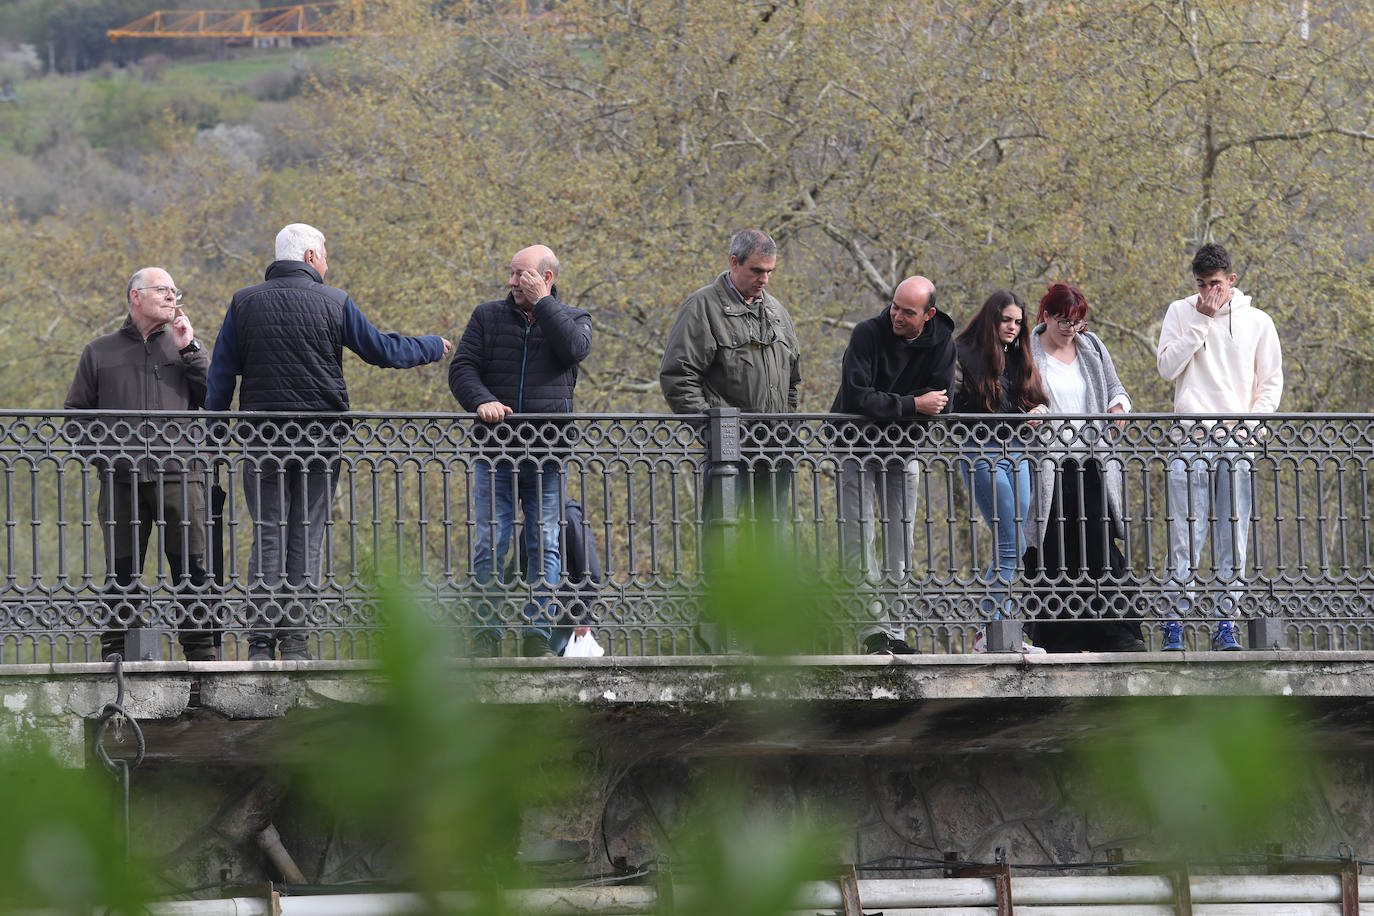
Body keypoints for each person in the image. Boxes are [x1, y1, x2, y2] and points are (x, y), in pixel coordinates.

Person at [206, 224, 451, 661]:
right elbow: (382, 350)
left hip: (263, 439)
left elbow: (222, 374)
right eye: (325, 255)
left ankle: (261, 642)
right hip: (320, 439)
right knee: (307, 534)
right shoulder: (333, 301)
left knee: (267, 534)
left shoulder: (244, 302)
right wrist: (432, 345)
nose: (328, 263)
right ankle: (297, 641)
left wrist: (215, 435)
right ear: (310, 257)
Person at [65, 267, 219, 662]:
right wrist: (106, 460)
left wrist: (191, 351)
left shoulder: (184, 347)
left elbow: (215, 399)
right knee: (122, 572)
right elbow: (74, 417)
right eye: (163, 290)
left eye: (174, 291)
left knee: (191, 570)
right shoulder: (100, 350)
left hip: (181, 476)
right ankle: (117, 655)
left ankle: (202, 658)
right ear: (136, 297)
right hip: (121, 482)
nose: (172, 297)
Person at [449, 245, 592, 658]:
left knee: (545, 542)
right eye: (511, 274)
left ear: (546, 278)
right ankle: (485, 636)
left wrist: (544, 304)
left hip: (548, 453)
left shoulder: (574, 318)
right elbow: (462, 369)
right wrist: (481, 401)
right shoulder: (486, 316)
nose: (512, 282)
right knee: (490, 543)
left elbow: (574, 350)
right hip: (494, 450)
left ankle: (537, 634)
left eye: (521, 275)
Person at [1156, 242, 1283, 651]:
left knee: (1234, 536)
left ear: (1231, 280)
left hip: (1236, 442)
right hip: (1189, 438)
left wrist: (1248, 430)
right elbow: (1166, 368)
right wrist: (1200, 321)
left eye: (1214, 283)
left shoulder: (1258, 321)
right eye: (1200, 284)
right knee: (1183, 534)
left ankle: (1225, 622)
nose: (1206, 292)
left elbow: (1270, 384)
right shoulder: (1181, 311)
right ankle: (1175, 620)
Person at [830, 276, 955, 655]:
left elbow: (941, 403)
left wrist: (886, 407)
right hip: (852, 446)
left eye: (908, 312)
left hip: (903, 451)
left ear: (928, 314)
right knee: (860, 537)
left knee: (901, 542)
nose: (896, 316)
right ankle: (872, 633)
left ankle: (896, 632)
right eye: (894, 306)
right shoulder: (868, 333)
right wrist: (912, 405)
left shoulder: (943, 342)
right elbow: (857, 395)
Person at [1023, 283, 1145, 653]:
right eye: (1063, 321)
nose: (1070, 329)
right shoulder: (1027, 351)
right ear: (1045, 315)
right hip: (1048, 466)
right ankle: (1063, 637)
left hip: (1091, 461)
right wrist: (1028, 414)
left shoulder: (1092, 348)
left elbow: (1116, 388)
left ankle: (1117, 632)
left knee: (1099, 546)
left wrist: (1119, 407)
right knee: (1056, 548)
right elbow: (1013, 396)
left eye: (1077, 322)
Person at [659, 229, 801, 537]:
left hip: (776, 448)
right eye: (756, 270)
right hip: (728, 452)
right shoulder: (702, 307)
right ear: (734, 263)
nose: (764, 279)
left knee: (770, 539)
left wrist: (787, 425)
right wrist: (715, 432)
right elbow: (678, 377)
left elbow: (792, 380)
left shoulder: (778, 312)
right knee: (721, 537)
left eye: (769, 272)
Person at [952, 290, 1049, 653]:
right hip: (981, 451)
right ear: (992, 320)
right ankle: (992, 634)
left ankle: (995, 630)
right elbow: (952, 411)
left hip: (1018, 451)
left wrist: (1035, 413)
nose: (1012, 327)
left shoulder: (1018, 354)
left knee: (1014, 542)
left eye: (1017, 321)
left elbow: (1032, 398)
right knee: (1010, 543)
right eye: (1006, 320)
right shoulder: (963, 354)